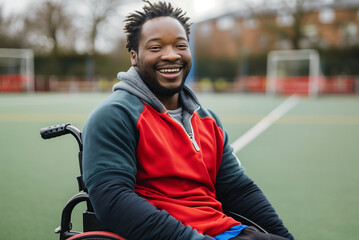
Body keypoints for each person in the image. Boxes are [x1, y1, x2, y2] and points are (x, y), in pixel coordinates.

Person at [82, 1, 295, 240]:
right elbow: (113, 201)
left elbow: (238, 190)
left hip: (226, 231)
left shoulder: (208, 120)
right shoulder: (115, 115)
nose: (171, 55)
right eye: (155, 47)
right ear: (134, 56)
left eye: (180, 45)